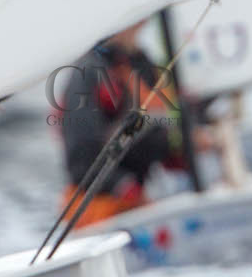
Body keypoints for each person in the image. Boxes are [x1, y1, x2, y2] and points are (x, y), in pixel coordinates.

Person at [54, 22, 207, 225]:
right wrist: (124, 186)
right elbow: (80, 161)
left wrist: (187, 142)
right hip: (98, 211)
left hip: (138, 204)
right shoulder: (88, 72)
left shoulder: (141, 64)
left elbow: (156, 134)